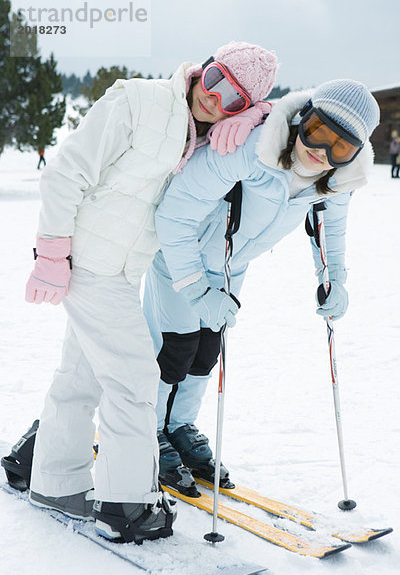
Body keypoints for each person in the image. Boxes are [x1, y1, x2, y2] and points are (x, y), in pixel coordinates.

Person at [5, 42, 278, 544]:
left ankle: (55, 481)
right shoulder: (140, 100)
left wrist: (263, 112)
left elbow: (290, 119)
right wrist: (50, 251)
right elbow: (68, 169)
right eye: (216, 80)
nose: (218, 100)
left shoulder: (204, 135)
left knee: (79, 378)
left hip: (122, 269)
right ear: (203, 68)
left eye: (237, 100)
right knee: (133, 382)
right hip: (91, 263)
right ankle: (126, 506)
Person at [143, 79, 380, 497]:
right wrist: (197, 290)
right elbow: (175, 213)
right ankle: (147, 430)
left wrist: (333, 280)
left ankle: (179, 426)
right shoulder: (250, 150)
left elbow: (330, 230)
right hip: (182, 259)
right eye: (318, 132)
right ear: (303, 119)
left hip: (232, 266)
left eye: (339, 148)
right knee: (173, 347)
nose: (321, 152)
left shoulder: (334, 181)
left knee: (206, 349)